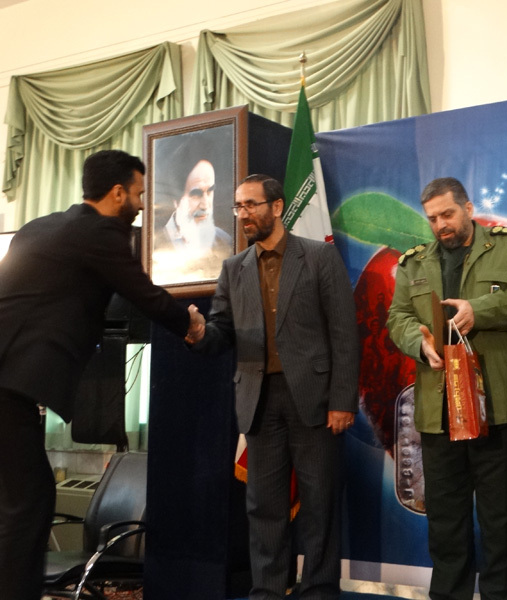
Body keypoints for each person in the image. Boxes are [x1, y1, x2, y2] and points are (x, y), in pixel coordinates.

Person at [0, 150, 205, 600]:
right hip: (9, 386)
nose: (142, 204)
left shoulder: (39, 227)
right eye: (139, 194)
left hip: (10, 382)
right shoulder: (101, 233)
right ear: (117, 193)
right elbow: (143, 294)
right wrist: (190, 323)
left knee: (21, 500)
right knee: (30, 502)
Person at [188, 174, 359, 599]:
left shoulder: (319, 257)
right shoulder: (234, 268)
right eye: (238, 206)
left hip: (314, 401)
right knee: (263, 507)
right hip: (259, 401)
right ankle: (266, 591)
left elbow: (344, 333)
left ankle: (318, 590)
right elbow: (221, 331)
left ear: (277, 206)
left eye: (251, 205)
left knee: (320, 504)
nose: (243, 214)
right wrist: (199, 333)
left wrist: (342, 400)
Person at [386, 177, 507, 600]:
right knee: (446, 525)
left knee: (503, 525)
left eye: (447, 214)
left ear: (468, 208)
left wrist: (479, 310)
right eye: (432, 218)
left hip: (501, 405)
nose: (440, 224)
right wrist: (418, 342)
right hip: (439, 409)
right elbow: (398, 317)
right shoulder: (414, 263)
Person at [152, 147, 232, 284]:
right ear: (176, 200)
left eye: (210, 191)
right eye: (196, 194)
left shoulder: (225, 241)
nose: (205, 205)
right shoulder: (155, 246)